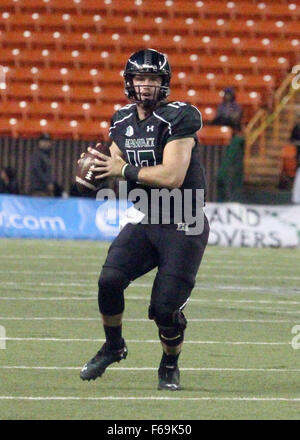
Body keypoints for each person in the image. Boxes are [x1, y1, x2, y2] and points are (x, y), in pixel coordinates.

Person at [79, 49, 210, 390]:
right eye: (141, 78)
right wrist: (93, 172)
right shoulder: (122, 120)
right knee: (109, 281)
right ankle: (113, 345)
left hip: (184, 223)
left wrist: (120, 169)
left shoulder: (180, 117)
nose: (147, 85)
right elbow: (115, 159)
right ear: (129, 82)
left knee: (164, 309)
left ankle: (169, 363)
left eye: (153, 78)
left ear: (164, 83)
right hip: (146, 218)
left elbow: (171, 176)